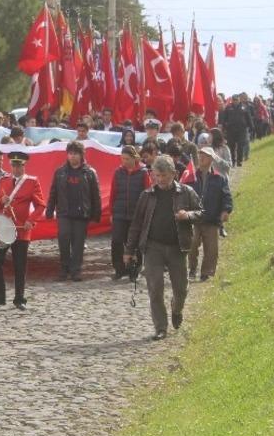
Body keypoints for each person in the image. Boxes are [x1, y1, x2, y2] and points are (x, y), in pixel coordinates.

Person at [124, 155, 203, 340]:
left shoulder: (186, 192)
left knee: (181, 289)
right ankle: (160, 327)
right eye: (156, 175)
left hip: (177, 247)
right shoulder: (147, 196)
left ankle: (176, 308)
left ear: (174, 174)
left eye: (164, 176)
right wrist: (129, 251)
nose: (160, 180)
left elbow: (202, 213)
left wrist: (189, 215)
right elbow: (136, 225)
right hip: (153, 248)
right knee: (155, 287)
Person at [0, 152, 46, 310]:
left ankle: (19, 298)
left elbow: (41, 204)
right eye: (13, 165)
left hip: (21, 229)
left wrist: (31, 220)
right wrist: (1, 201)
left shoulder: (32, 182)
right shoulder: (4, 180)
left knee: (19, 265)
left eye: (18, 165)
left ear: (24, 166)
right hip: (4, 228)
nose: (15, 168)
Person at [45, 141, 101, 281]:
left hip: (81, 214)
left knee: (78, 243)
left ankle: (76, 270)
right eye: (70, 153)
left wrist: (96, 214)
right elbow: (53, 192)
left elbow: (96, 195)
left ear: (81, 155)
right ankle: (64, 269)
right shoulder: (60, 172)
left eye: (75, 153)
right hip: (64, 213)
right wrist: (49, 210)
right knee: (63, 240)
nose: (72, 156)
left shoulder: (90, 173)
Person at [188, 147, 233, 282]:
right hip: (194, 218)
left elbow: (227, 196)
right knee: (192, 243)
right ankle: (192, 268)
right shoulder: (191, 177)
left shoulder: (219, 178)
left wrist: (226, 210)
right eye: (200, 155)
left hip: (212, 218)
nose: (201, 158)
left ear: (212, 159)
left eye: (205, 155)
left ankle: (206, 272)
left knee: (211, 248)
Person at [108, 145, 151, 280]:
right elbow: (113, 193)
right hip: (119, 213)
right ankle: (119, 269)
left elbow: (148, 193)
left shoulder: (143, 173)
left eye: (127, 158)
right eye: (122, 159)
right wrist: (111, 212)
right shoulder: (118, 172)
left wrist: (145, 213)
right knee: (116, 241)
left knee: (134, 243)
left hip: (136, 214)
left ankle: (134, 270)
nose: (124, 161)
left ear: (134, 158)